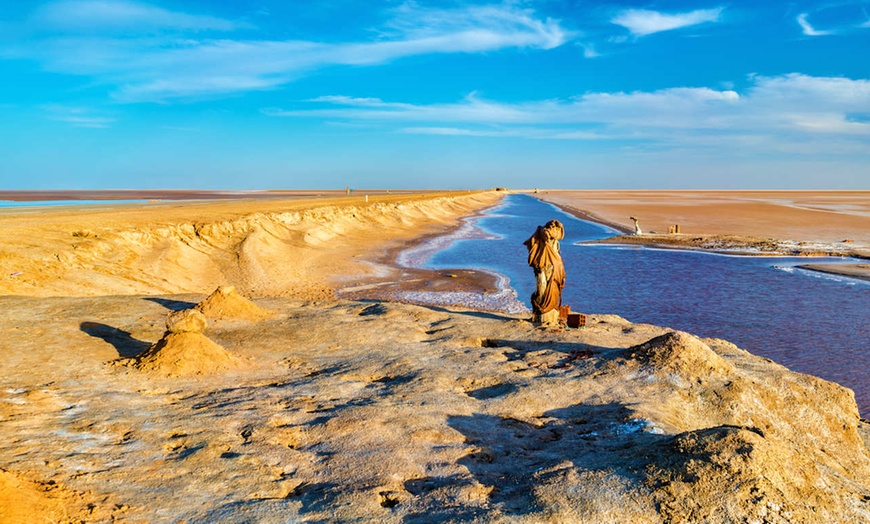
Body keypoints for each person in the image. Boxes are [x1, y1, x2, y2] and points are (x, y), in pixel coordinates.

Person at [523, 219, 565, 325]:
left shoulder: (555, 241)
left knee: (553, 289)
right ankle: (542, 315)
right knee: (541, 288)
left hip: (554, 268)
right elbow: (543, 236)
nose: (552, 229)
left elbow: (558, 236)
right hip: (542, 267)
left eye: (554, 228)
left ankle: (550, 316)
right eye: (551, 227)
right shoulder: (542, 234)